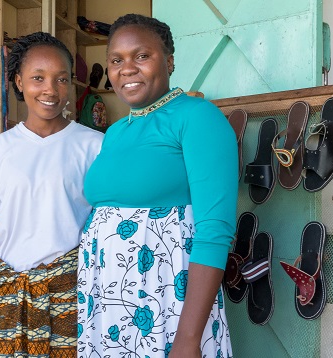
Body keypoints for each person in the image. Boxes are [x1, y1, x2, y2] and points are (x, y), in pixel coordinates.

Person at [77, 14, 238, 358]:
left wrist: (188, 339)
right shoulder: (116, 132)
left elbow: (214, 231)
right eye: (117, 60)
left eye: (142, 56)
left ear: (169, 61)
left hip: (167, 304)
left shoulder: (197, 117)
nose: (127, 68)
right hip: (109, 306)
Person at [0, 32, 104, 358]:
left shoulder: (94, 147)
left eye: (61, 79)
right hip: (3, 298)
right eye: (38, 78)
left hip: (70, 297)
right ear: (19, 82)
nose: (50, 89)